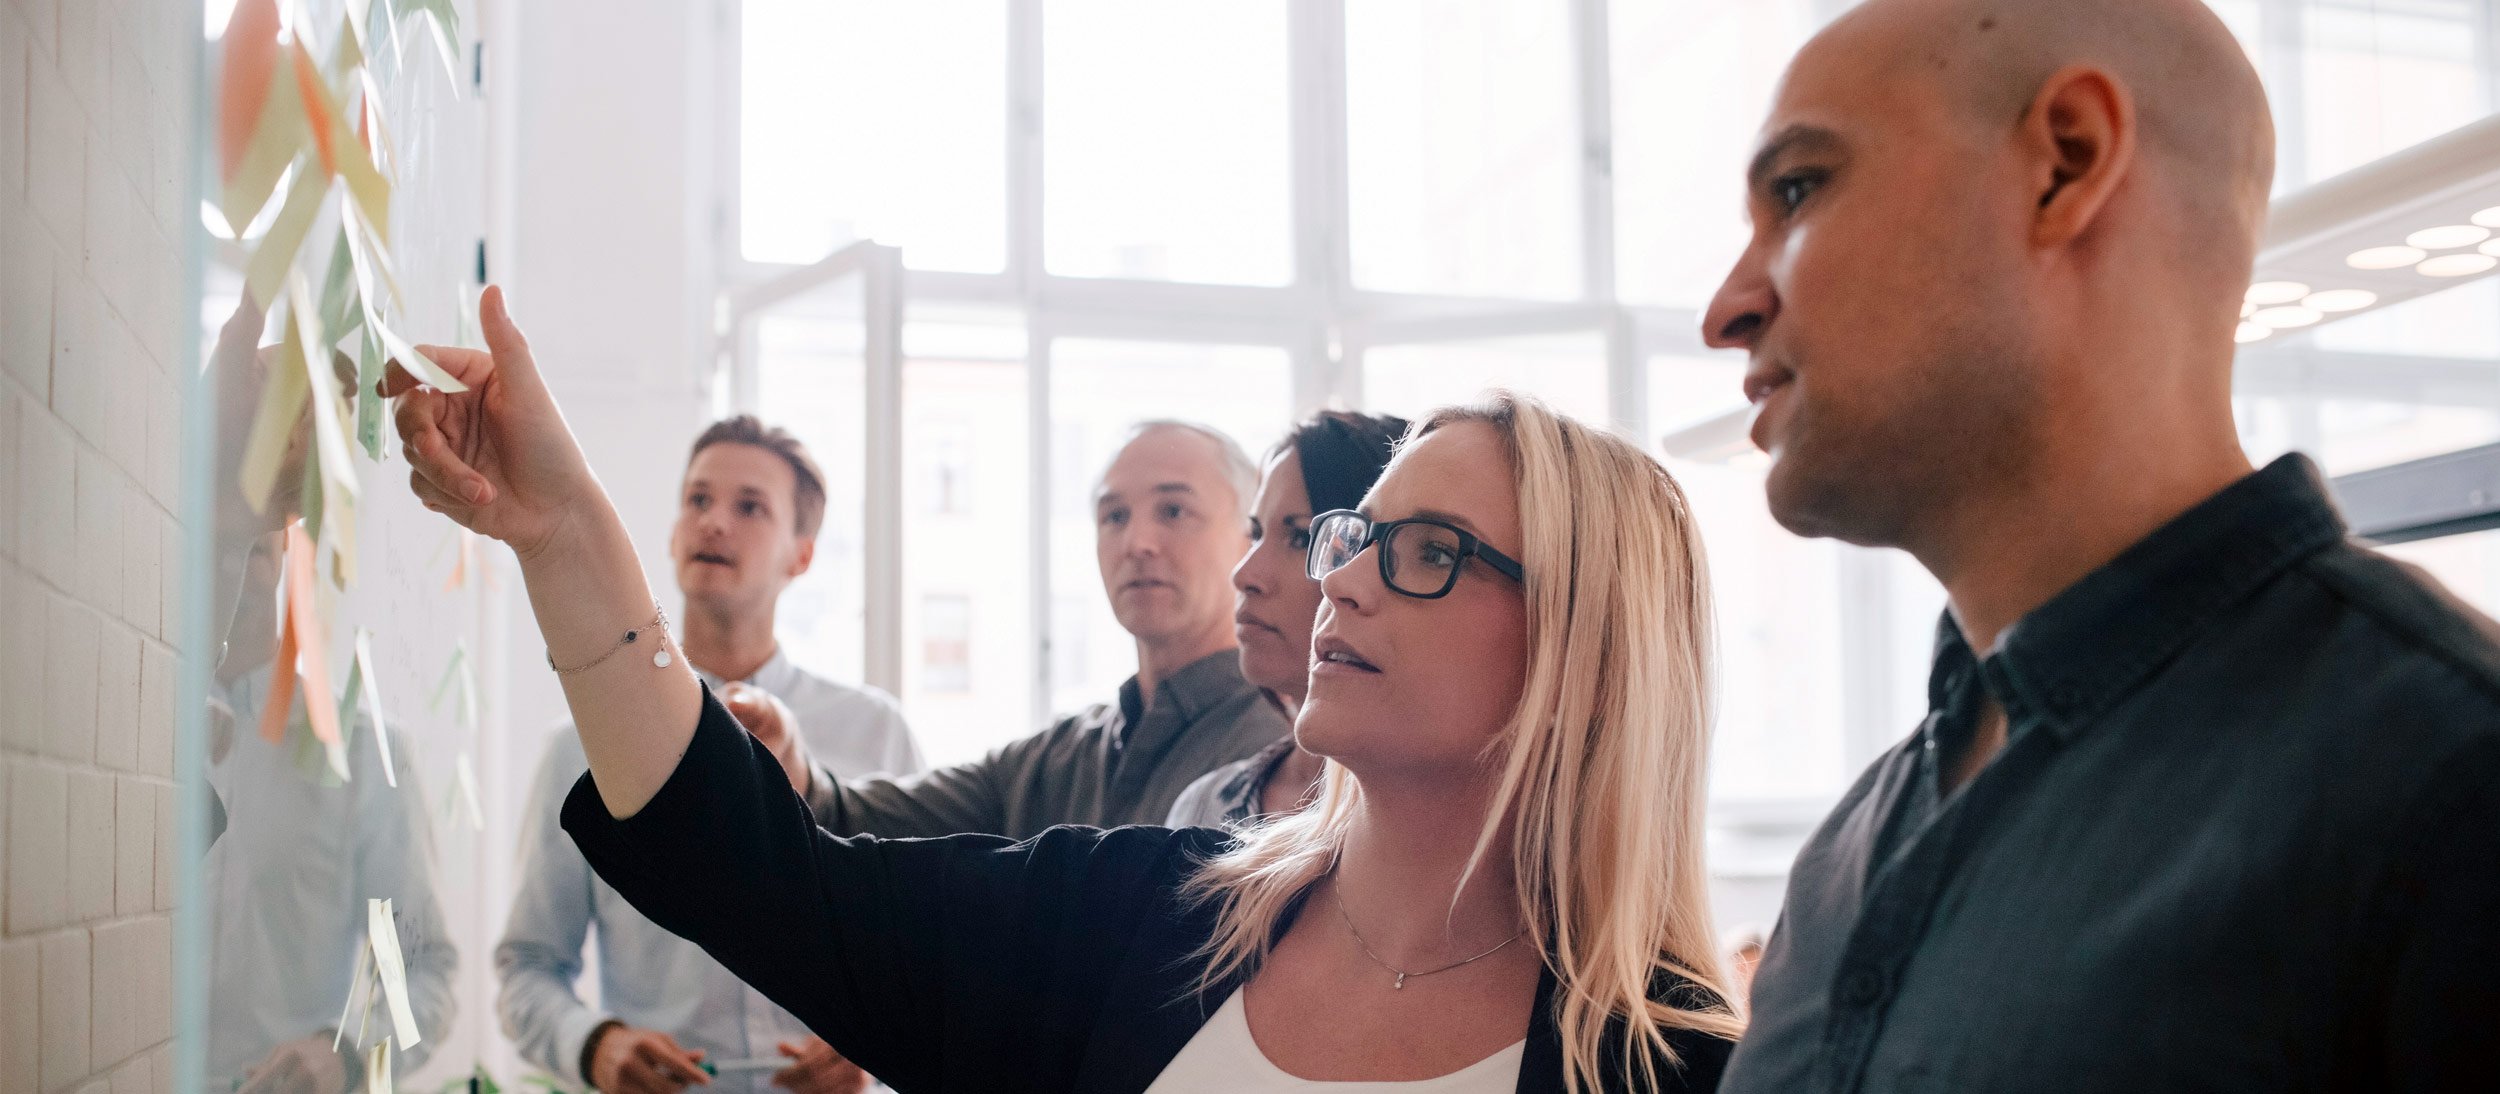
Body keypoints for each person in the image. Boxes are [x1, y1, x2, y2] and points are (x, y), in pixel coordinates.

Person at [385, 295, 1740, 1090]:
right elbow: (766, 874)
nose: (1343, 582)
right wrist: (567, 540)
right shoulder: (1150, 912)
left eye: (1428, 552)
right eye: (1353, 537)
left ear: (1583, 642)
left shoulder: (1682, 1061)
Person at [1699, 0, 2500, 1089]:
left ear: (2063, 164)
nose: (1727, 307)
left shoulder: (2446, 778)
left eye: (1797, 188)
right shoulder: (1849, 855)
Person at [496, 416, 923, 1094]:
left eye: (749, 506)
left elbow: (923, 951)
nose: (714, 522)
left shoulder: (878, 735)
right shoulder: (578, 746)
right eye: (698, 500)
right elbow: (526, 965)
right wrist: (595, 1046)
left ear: (801, 554)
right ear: (671, 534)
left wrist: (877, 1050)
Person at [740, 420, 1289, 841]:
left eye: (1173, 511)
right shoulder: (1059, 758)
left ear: (1250, 539)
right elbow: (859, 821)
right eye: (1113, 516)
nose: (1137, 542)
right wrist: (793, 768)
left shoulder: (1286, 752)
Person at [201, 297, 457, 1094]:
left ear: (291, 526)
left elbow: (425, 973)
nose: (245, 556)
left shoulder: (363, 755)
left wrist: (346, 1054)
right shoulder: (124, 731)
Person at [1166, 410, 1408, 829]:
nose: (1245, 575)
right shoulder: (1202, 808)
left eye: (1300, 538)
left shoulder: (1439, 829)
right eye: (1256, 533)